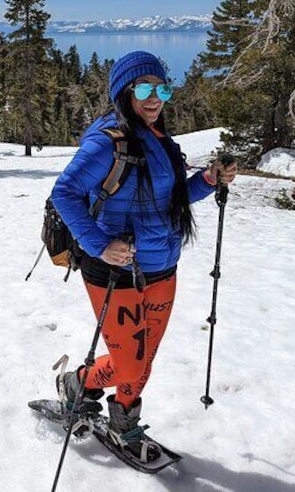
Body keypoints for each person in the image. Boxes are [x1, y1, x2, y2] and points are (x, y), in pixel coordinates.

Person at [50, 51, 237, 462]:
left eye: (163, 88)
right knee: (132, 363)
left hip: (161, 266)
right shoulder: (106, 142)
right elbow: (63, 193)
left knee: (141, 358)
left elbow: (172, 201)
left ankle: (100, 403)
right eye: (146, 88)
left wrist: (206, 181)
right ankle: (99, 402)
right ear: (125, 91)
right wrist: (99, 244)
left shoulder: (160, 140)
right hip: (115, 271)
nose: (156, 98)